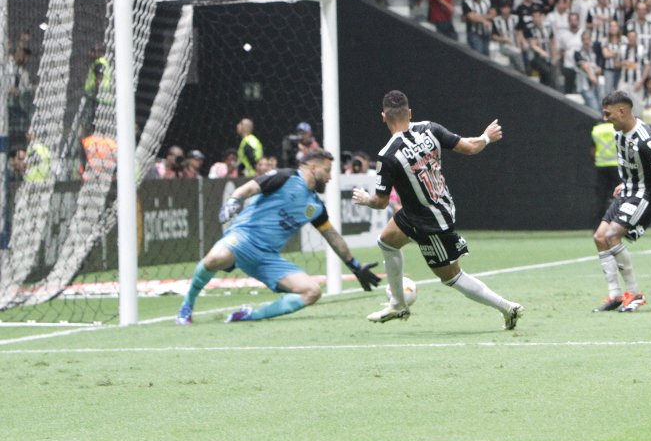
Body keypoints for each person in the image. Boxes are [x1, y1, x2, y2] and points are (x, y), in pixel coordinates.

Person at [350, 91, 524, 329]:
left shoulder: (387, 156)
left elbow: (380, 203)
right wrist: (486, 137)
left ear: (383, 117)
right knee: (387, 242)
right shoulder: (429, 129)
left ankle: (507, 307)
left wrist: (364, 199)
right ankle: (399, 304)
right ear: (409, 113)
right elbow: (469, 147)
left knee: (452, 277)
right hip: (425, 209)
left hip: (430, 222)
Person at [176, 149, 381, 324]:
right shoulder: (286, 177)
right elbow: (249, 187)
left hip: (267, 258)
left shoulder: (316, 207)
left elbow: (332, 236)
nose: (329, 177)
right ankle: (187, 307)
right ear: (312, 167)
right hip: (243, 238)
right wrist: (233, 201)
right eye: (327, 171)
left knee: (312, 291)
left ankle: (249, 316)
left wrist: (354, 265)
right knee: (214, 259)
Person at [589, 91, 651, 313]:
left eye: (608, 114)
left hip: (645, 194)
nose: (606, 118)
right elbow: (630, 164)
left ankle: (635, 293)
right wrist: (625, 182)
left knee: (611, 235)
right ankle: (616, 295)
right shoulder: (619, 132)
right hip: (629, 190)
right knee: (599, 237)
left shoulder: (645, 139)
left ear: (622, 111)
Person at [590, 119, 618, 224]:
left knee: (601, 197)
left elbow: (593, 150)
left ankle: (599, 225)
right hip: (617, 166)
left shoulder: (596, 130)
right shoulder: (617, 129)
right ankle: (619, 223)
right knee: (620, 195)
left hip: (601, 166)